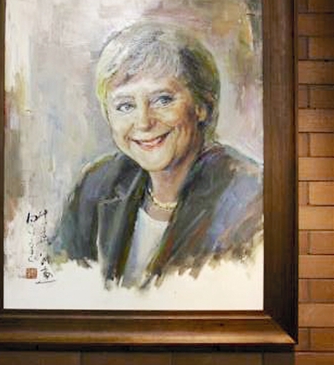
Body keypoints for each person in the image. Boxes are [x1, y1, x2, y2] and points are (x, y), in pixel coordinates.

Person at [51, 21, 263, 290]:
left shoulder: (250, 198)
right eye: (125, 105)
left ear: (202, 106)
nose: (143, 122)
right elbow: (59, 283)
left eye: (162, 100)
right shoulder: (96, 185)